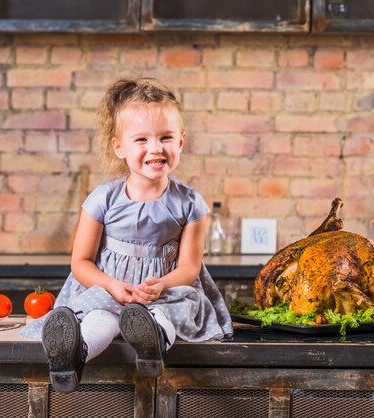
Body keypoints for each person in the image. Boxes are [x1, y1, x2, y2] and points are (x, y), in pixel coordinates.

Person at [20, 77, 233, 393]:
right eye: (142, 140)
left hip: (164, 290)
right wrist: (112, 286)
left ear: (181, 142)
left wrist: (161, 284)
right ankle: (74, 355)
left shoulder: (190, 203)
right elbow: (80, 262)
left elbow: (189, 268)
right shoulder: (103, 199)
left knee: (178, 306)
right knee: (100, 315)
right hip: (111, 287)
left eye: (166, 137)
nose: (156, 148)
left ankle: (153, 341)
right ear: (119, 146)